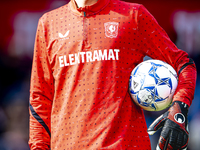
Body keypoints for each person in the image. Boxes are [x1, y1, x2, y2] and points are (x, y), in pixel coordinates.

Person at [29, 0, 197, 149]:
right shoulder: (48, 24)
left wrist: (179, 109)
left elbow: (183, 64)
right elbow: (40, 97)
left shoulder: (133, 15)